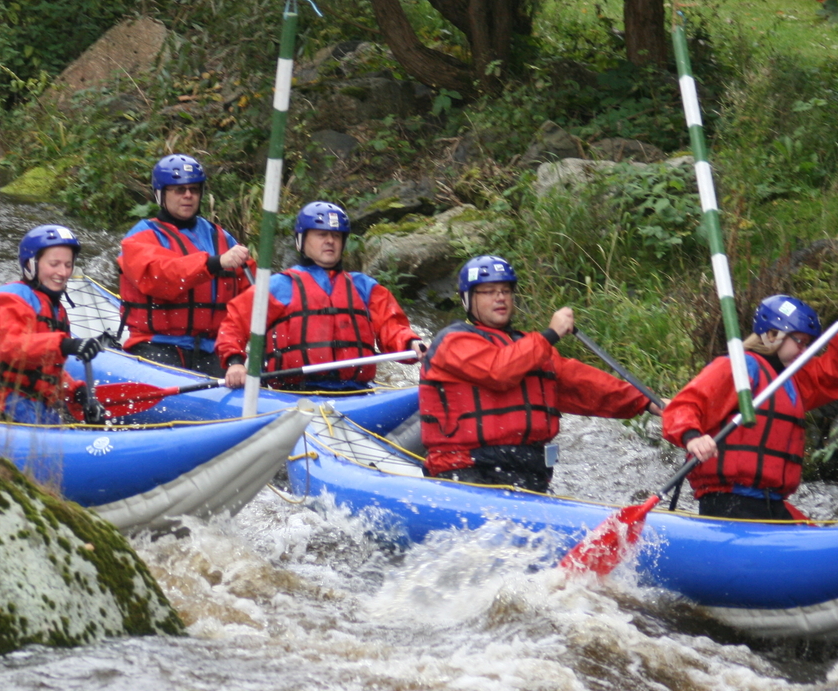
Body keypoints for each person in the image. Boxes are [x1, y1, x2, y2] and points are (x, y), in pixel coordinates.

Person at [418, 255, 662, 493]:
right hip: (467, 467)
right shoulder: (453, 341)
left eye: (505, 290)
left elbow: (584, 385)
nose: (500, 297)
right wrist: (552, 334)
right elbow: (499, 370)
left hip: (527, 469)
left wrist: (648, 401)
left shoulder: (529, 347)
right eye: (489, 291)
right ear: (467, 299)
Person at [661, 293, 838, 521]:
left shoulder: (792, 376)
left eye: (807, 343)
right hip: (728, 501)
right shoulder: (739, 368)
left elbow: (832, 377)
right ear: (772, 335)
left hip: (769, 501)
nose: (804, 350)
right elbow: (684, 405)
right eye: (799, 341)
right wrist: (693, 438)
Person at [217, 201, 423, 392]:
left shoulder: (365, 287)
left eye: (336, 236)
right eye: (321, 234)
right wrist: (235, 363)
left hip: (357, 391)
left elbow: (392, 327)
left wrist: (412, 343)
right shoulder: (278, 286)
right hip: (294, 393)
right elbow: (234, 324)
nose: (330, 241)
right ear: (301, 240)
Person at [116, 154, 252, 376]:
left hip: (211, 348)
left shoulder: (220, 237)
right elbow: (161, 275)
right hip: (156, 344)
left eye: (194, 190)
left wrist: (235, 354)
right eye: (179, 190)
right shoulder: (140, 237)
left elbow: (248, 300)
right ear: (161, 194)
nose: (188, 196)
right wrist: (215, 262)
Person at [0, 224, 110, 425]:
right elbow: (12, 347)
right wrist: (66, 345)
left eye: (68, 264)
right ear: (31, 264)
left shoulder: (58, 310)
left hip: (35, 408)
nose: (63, 272)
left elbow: (47, 370)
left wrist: (77, 393)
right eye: (54, 264)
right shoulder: (8, 298)